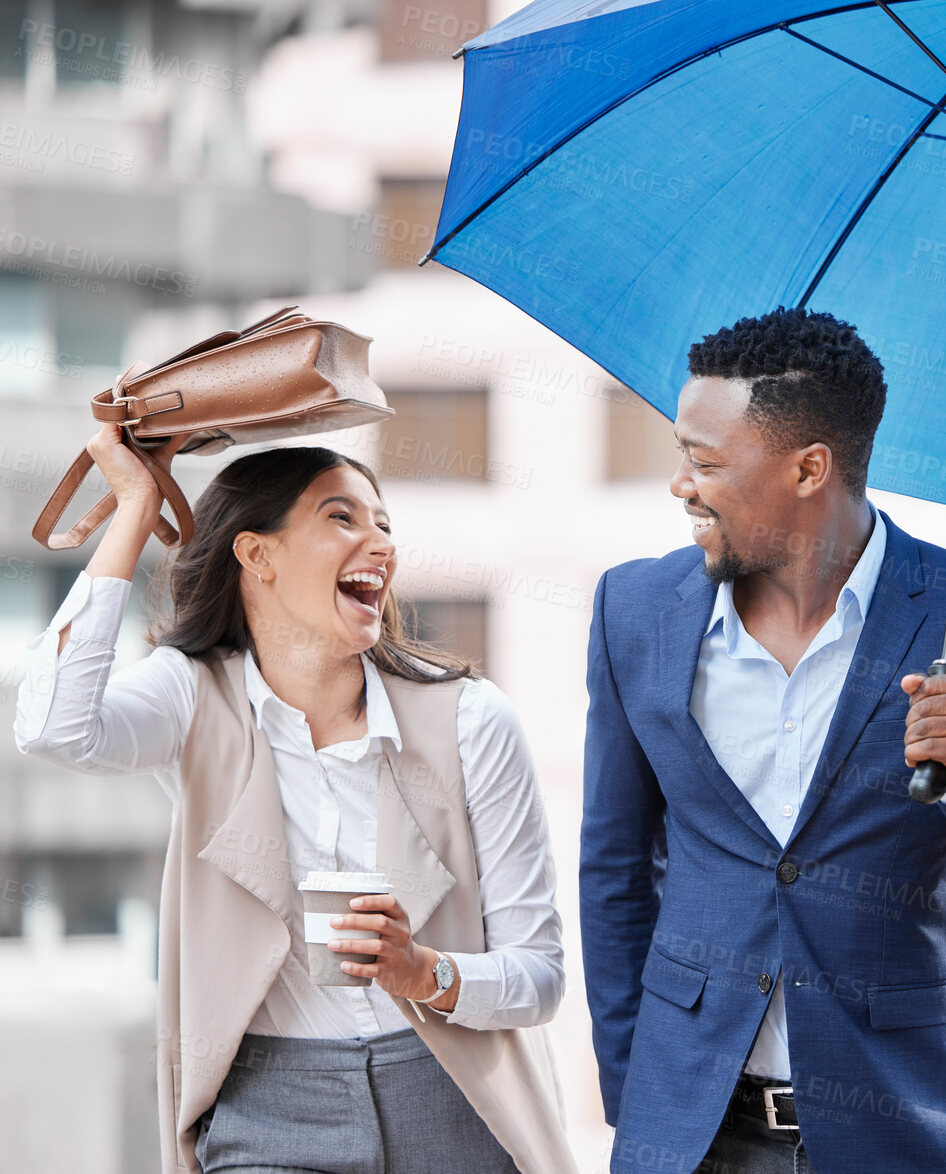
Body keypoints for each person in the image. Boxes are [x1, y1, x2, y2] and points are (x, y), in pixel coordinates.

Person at [580, 306, 946, 1174]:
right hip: (692, 1135)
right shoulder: (632, 611)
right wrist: (637, 1101)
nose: (681, 483)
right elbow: (614, 870)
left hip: (900, 1132)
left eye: (705, 461)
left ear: (808, 468)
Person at [14, 427, 576, 1174]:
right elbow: (54, 727)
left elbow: (538, 977)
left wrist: (423, 972)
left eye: (383, 524)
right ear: (258, 556)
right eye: (340, 518)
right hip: (268, 1110)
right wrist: (134, 509)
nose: (379, 543)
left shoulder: (469, 720)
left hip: (454, 1099)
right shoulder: (192, 694)